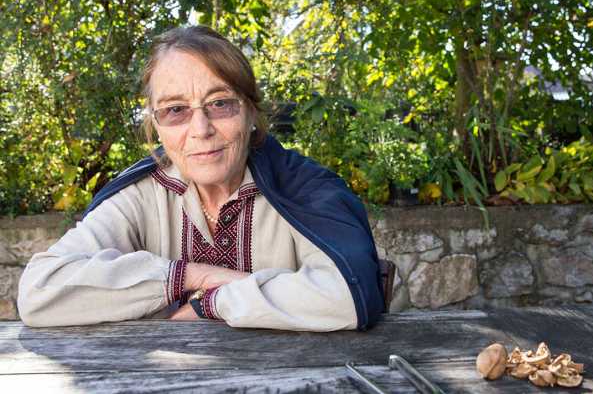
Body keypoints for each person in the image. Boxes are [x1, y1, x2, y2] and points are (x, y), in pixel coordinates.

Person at [17, 26, 384, 331]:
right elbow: (39, 292)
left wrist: (213, 303)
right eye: (176, 110)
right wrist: (190, 276)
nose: (201, 129)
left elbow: (350, 296)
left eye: (220, 103)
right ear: (156, 125)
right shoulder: (142, 196)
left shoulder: (305, 187)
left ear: (251, 111)